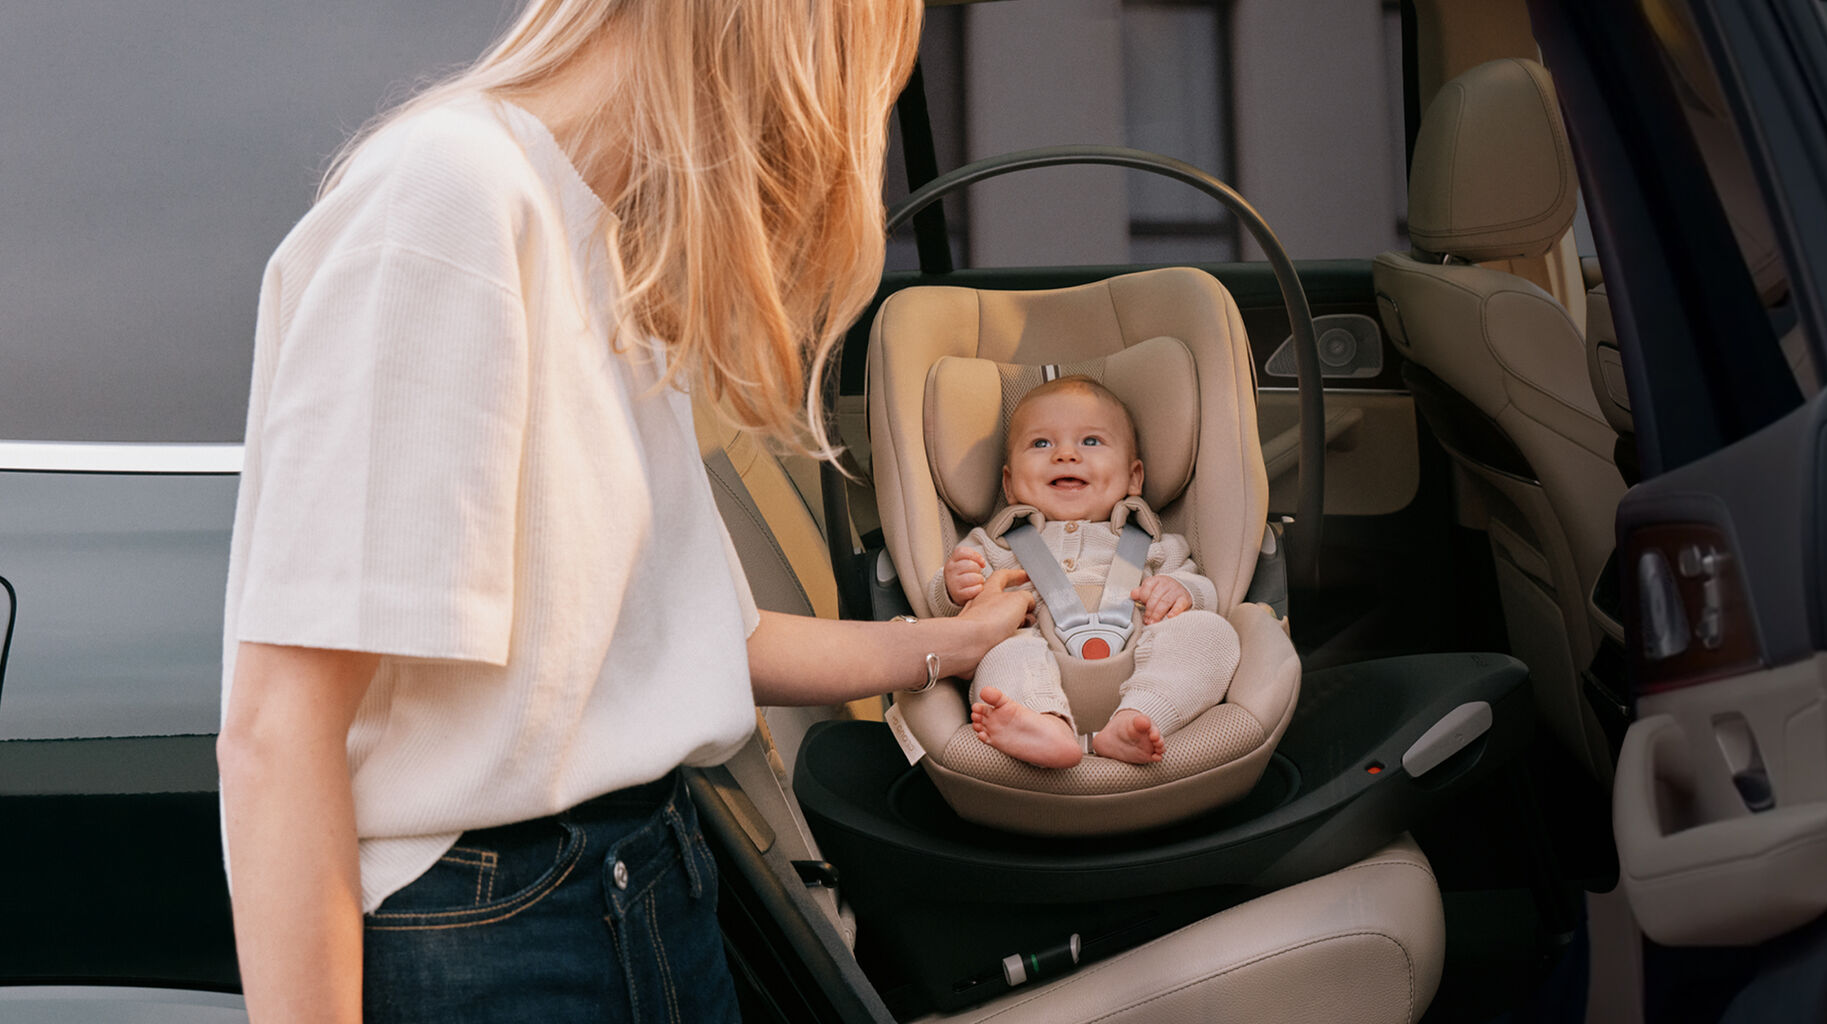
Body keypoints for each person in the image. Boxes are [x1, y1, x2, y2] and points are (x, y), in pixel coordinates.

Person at [212, 2, 1034, 1021]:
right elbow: (275, 730)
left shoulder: (606, 241)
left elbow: (700, 641)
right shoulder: (454, 196)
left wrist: (950, 643)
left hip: (650, 881)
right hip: (495, 930)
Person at [928, 376, 1242, 769]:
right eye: (1041, 444)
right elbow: (949, 621)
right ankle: (1043, 724)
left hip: (1142, 661)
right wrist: (954, 588)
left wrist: (1182, 590)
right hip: (1036, 661)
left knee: (1213, 633)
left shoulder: (1154, 543)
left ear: (1133, 478)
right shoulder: (997, 544)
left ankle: (1137, 720)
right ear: (1009, 484)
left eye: (1090, 441)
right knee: (1002, 650)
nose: (1064, 454)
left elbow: (1203, 593)